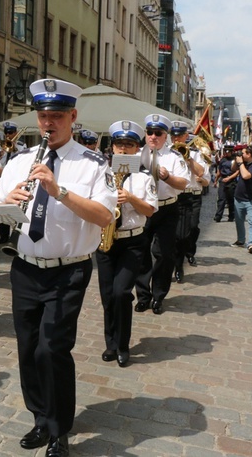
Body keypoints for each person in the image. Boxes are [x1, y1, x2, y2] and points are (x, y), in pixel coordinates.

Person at [0, 78, 116, 457]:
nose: (48, 124)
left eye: (57, 116)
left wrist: (59, 190)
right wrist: (7, 202)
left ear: (72, 117)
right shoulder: (19, 161)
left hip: (68, 270)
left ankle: (60, 430)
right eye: (43, 116)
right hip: (25, 266)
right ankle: (40, 418)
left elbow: (105, 215)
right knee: (28, 348)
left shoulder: (93, 163)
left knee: (52, 349)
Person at [96, 120, 157, 368]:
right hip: (105, 240)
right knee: (108, 296)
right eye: (119, 144)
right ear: (113, 147)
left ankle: (123, 344)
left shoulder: (144, 178)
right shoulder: (102, 174)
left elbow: (151, 210)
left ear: (136, 149)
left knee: (122, 293)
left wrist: (130, 197)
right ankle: (110, 343)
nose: (123, 149)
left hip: (133, 241)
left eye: (129, 145)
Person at [134, 114, 190, 315]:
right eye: (149, 132)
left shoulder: (174, 157)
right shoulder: (137, 154)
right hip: (143, 207)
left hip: (166, 208)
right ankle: (143, 296)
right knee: (140, 253)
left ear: (165, 135)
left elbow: (183, 184)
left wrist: (167, 177)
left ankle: (158, 296)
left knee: (164, 254)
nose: (153, 137)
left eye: (158, 133)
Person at [169, 123, 209, 282]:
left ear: (187, 136)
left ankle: (180, 264)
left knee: (188, 231)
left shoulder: (196, 153)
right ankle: (171, 263)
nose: (176, 138)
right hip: (171, 197)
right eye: (174, 135)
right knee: (171, 235)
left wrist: (188, 158)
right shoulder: (165, 153)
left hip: (190, 196)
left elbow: (202, 174)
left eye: (179, 135)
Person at [0, 121, 27, 244]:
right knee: (1, 203)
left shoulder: (22, 146)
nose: (8, 135)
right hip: (2, 178)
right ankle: (3, 235)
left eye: (11, 132)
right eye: (6, 132)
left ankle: (15, 234)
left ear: (16, 133)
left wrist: (14, 148)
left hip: (15, 180)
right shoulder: (1, 146)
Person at [231, 145, 252, 253]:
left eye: (243, 153)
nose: (241, 155)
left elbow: (245, 176)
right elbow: (233, 169)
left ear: (249, 155)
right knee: (239, 221)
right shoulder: (242, 163)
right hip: (239, 197)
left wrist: (240, 163)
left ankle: (251, 244)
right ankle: (240, 240)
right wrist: (237, 161)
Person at [213, 145, 236, 222]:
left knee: (230, 199)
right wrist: (216, 180)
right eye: (225, 151)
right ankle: (218, 216)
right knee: (221, 199)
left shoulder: (235, 160)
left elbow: (237, 172)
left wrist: (229, 178)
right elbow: (219, 170)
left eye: (228, 151)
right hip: (223, 179)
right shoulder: (223, 160)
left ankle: (231, 216)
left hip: (231, 180)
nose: (226, 153)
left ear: (232, 152)